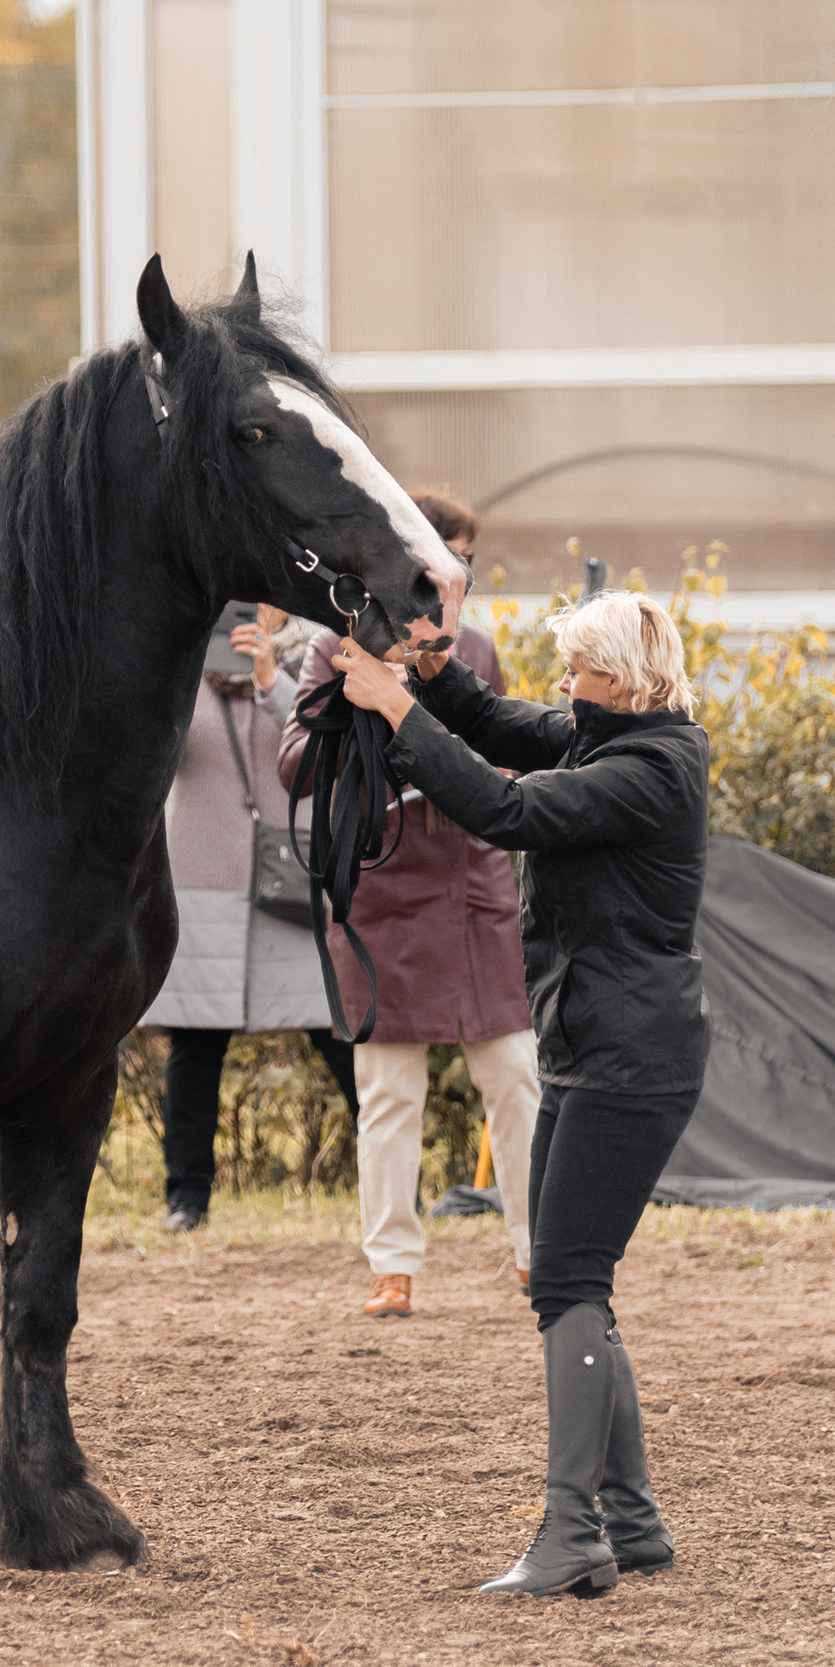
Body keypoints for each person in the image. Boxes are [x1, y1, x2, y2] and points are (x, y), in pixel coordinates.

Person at [328, 588, 709, 1597]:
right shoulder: (608, 734)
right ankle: (629, 1520)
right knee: (569, 1275)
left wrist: (396, 710)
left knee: (568, 1279)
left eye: (579, 670)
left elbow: (504, 808)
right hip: (604, 1044)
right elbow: (499, 725)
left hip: (630, 1054)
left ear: (621, 679)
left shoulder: (648, 766)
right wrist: (432, 669)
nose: (562, 688)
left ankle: (574, 1528)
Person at [281, 491, 536, 1316]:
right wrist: (359, 707)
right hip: (384, 887)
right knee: (389, 1090)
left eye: (463, 560)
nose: (451, 577)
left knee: (517, 1075)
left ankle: (542, 1250)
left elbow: (506, 747)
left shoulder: (479, 649)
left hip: (474, 883)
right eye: (440, 557)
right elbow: (291, 766)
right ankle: (392, 1263)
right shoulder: (336, 646)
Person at [142, 599, 356, 1230]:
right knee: (195, 1045)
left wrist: (270, 681)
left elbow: (321, 751)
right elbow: (159, 755)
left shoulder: (311, 663)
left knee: (335, 1030)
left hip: (292, 882)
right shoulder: (180, 672)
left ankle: (396, 1185)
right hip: (202, 886)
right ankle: (187, 1196)